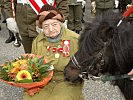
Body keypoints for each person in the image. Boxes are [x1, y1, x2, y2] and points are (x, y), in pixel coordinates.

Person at [24, 4, 84, 100]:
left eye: (54, 24)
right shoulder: (37, 41)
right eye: (46, 26)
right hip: (44, 81)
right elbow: (34, 64)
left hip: (68, 81)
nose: (51, 29)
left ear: (60, 23)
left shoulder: (75, 39)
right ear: (41, 28)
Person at [3, 0, 69, 53]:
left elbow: (62, 3)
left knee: (49, 57)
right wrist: (9, 18)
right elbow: (8, 2)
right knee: (30, 59)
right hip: (23, 23)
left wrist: (62, 18)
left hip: (46, 23)